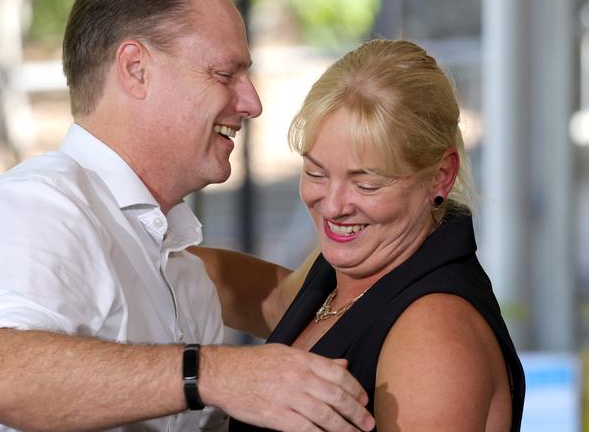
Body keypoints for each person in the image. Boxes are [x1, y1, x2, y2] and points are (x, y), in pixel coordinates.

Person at [0, 0, 375, 432]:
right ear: (136, 69)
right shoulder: (38, 205)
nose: (252, 103)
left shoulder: (180, 271)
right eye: (225, 74)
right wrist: (216, 374)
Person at [197, 39, 526, 431]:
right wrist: (124, 245)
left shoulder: (434, 337)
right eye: (316, 173)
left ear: (441, 175)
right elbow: (261, 298)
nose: (334, 206)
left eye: (366, 184)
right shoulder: (354, 269)